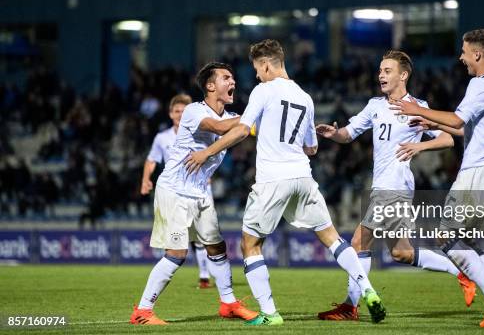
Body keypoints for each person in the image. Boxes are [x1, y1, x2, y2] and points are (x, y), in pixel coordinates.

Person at [184, 39, 386, 326]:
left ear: (266, 64)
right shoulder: (305, 96)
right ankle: (368, 289)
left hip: (272, 179)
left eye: (257, 68)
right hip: (303, 177)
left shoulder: (263, 90)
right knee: (332, 238)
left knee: (250, 244)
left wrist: (207, 151)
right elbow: (312, 149)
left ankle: (270, 314)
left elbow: (242, 130)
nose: (256, 75)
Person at [316, 50, 475, 321]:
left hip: (395, 187)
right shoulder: (375, 105)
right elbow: (349, 133)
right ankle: (459, 271)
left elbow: (448, 139)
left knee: (358, 241)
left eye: (387, 70)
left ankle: (350, 306)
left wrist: (419, 146)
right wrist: (334, 134)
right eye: (380, 70)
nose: (381, 75)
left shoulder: (416, 106)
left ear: (403, 75)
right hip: (382, 187)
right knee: (402, 252)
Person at [389, 29, 484, 328]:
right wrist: (430, 120)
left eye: (464, 51)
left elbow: (457, 120)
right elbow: (467, 129)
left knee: (445, 235)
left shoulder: (480, 84)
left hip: (477, 172)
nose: (461, 57)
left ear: (478, 54)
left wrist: (417, 109)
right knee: (469, 240)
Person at [130, 62, 257, 325]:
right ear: (210, 86)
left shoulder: (229, 118)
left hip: (200, 193)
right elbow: (220, 128)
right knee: (177, 254)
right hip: (174, 191)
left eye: (233, 77)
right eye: (226, 78)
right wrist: (255, 114)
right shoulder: (193, 111)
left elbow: (244, 130)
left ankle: (229, 304)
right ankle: (142, 311)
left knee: (217, 247)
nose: (233, 81)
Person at [139, 94, 213, 289]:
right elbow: (152, 159)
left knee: (202, 236)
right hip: (174, 191)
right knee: (176, 242)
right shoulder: (162, 138)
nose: (180, 115)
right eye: (177, 111)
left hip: (199, 189)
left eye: (184, 111)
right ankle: (166, 273)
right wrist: (146, 179)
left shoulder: (200, 132)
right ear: (170, 114)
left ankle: (204, 276)